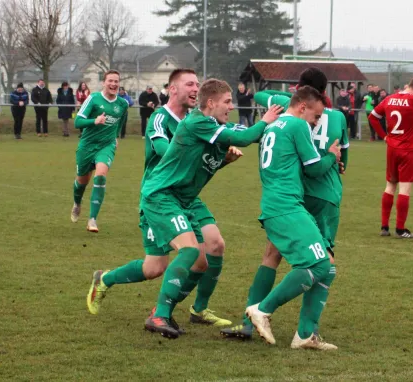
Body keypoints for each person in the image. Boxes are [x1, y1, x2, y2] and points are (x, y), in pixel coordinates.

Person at [86, 69, 246, 331]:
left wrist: (222, 159)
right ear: (173, 89)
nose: (196, 88)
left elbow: (202, 163)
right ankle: (105, 279)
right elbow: (166, 152)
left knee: (213, 247)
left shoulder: (199, 120)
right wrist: (194, 140)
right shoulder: (161, 119)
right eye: (190, 84)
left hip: (187, 196)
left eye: (198, 84)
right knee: (155, 267)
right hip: (160, 195)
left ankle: (193, 309)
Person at [126, 79, 281, 339]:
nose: (231, 107)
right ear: (211, 103)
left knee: (202, 258)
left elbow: (245, 136)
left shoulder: (215, 126)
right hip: (161, 195)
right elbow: (245, 137)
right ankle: (158, 314)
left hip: (182, 199)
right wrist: (265, 118)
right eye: (227, 102)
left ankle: (168, 311)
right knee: (185, 252)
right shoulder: (198, 121)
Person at [221, 68, 349, 349]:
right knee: (321, 263)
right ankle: (263, 311)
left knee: (282, 258)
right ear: (304, 105)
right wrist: (332, 155)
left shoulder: (271, 124)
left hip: (280, 201)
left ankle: (301, 335)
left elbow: (263, 97)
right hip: (293, 203)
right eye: (315, 116)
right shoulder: (300, 124)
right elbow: (315, 167)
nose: (316, 122)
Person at [368, 77, 413, 238]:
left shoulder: (389, 99)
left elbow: (372, 117)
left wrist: (384, 136)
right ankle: (400, 229)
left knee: (390, 186)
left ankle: (384, 227)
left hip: (392, 148)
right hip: (408, 150)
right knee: (405, 189)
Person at [70, 70, 130, 233]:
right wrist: (94, 121)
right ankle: (77, 203)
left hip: (106, 145)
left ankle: (92, 219)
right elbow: (77, 122)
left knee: (101, 175)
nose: (113, 84)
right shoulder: (94, 99)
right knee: (82, 181)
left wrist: (116, 137)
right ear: (104, 83)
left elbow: (120, 122)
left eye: (116, 81)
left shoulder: (123, 104)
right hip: (87, 145)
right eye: (110, 81)